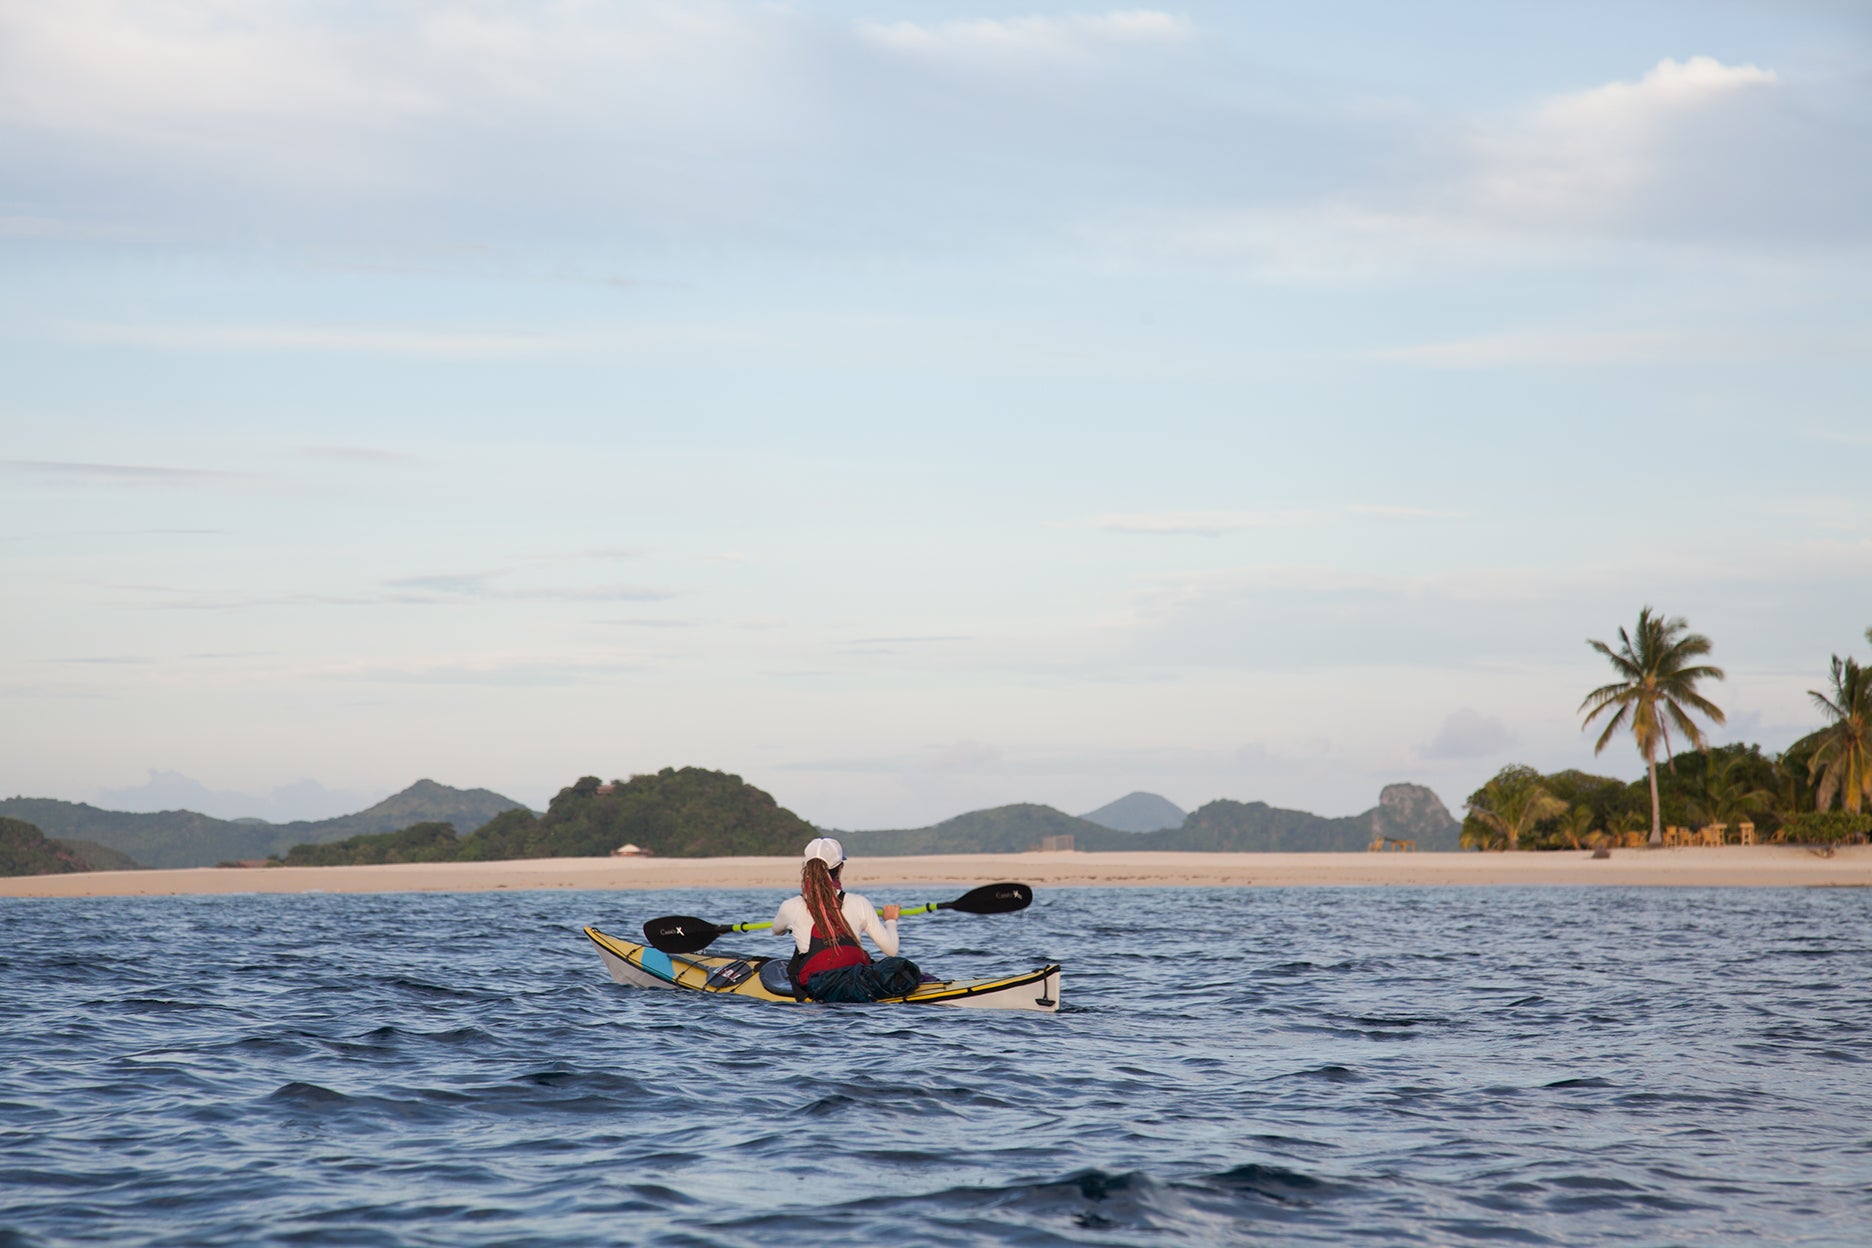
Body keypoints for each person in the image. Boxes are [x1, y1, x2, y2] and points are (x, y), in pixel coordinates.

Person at [771, 837, 923, 1002]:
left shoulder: (790, 906)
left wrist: (791, 926)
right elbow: (891, 951)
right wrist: (890, 920)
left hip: (816, 993)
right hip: (857, 983)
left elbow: (776, 931)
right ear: (840, 868)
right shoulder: (859, 903)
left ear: (807, 868)